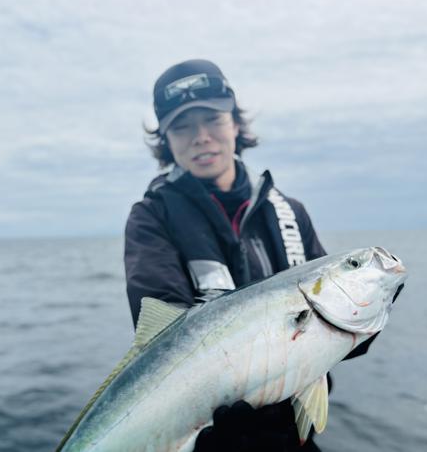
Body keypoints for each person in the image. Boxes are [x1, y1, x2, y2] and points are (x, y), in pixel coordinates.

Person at [124, 59, 373, 451]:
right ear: (166, 140)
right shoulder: (152, 217)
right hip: (211, 436)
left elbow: (333, 314)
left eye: (212, 119)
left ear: (235, 125)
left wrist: (363, 320)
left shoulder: (289, 212)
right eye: (182, 127)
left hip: (293, 435)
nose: (201, 137)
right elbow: (163, 331)